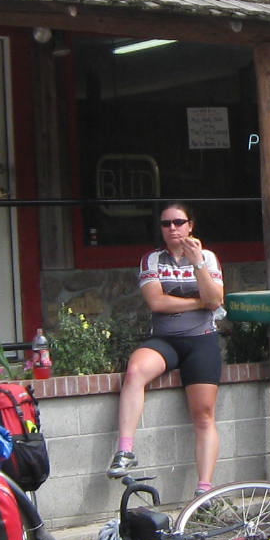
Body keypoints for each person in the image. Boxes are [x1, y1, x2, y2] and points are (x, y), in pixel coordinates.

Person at [110, 202, 227, 494]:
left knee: (203, 414)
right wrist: (201, 303)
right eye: (166, 224)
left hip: (201, 339)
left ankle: (204, 489)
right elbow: (157, 302)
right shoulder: (152, 259)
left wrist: (197, 263)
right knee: (135, 370)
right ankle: (125, 450)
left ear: (190, 225)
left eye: (178, 222)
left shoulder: (208, 257)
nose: (172, 228)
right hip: (165, 339)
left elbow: (216, 298)